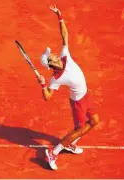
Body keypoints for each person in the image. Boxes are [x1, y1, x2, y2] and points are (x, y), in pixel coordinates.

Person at [37, 4, 100, 170]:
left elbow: (65, 34)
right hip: (78, 102)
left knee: (94, 121)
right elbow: (47, 97)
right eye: (51, 56)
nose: (54, 54)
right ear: (51, 63)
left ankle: (70, 142)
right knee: (79, 129)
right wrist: (43, 84)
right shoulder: (56, 78)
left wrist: (59, 16)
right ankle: (54, 152)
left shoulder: (65, 56)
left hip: (86, 95)